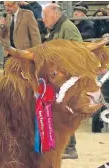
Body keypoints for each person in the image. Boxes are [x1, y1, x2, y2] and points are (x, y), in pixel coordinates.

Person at [43, 3, 82, 159]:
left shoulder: (68, 28)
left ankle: (70, 148)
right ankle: (64, 146)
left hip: (67, 79)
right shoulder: (56, 29)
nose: (42, 19)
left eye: (45, 16)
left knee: (64, 111)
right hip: (58, 78)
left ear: (55, 15)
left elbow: (79, 51)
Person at [0, 1, 41, 68]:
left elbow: (35, 36)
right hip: (8, 54)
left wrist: (37, 54)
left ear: (16, 4)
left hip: (23, 54)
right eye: (5, 6)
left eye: (9, 5)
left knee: (23, 77)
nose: (6, 8)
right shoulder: (6, 16)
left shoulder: (28, 14)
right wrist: (1, 25)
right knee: (7, 77)